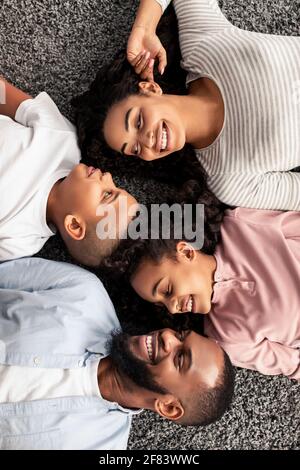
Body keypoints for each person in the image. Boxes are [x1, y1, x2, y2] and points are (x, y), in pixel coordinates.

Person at [75, 0, 300, 211]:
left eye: (138, 121)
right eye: (134, 150)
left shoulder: (204, 47)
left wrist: (144, 29)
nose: (146, 141)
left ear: (150, 89)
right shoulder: (228, 179)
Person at [0, 257, 235, 450]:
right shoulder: (84, 292)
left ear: (169, 408)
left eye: (180, 358)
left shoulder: (101, 446)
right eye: (181, 335)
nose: (168, 337)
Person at [104, 181, 300, 380]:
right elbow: (294, 364)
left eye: (168, 290)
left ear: (187, 252)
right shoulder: (227, 338)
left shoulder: (242, 226)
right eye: (162, 305)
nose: (172, 309)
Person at [0, 77, 138, 266]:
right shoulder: (66, 142)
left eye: (107, 194)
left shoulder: (21, 241)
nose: (108, 177)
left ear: (74, 225)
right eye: (117, 186)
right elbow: (7, 96)